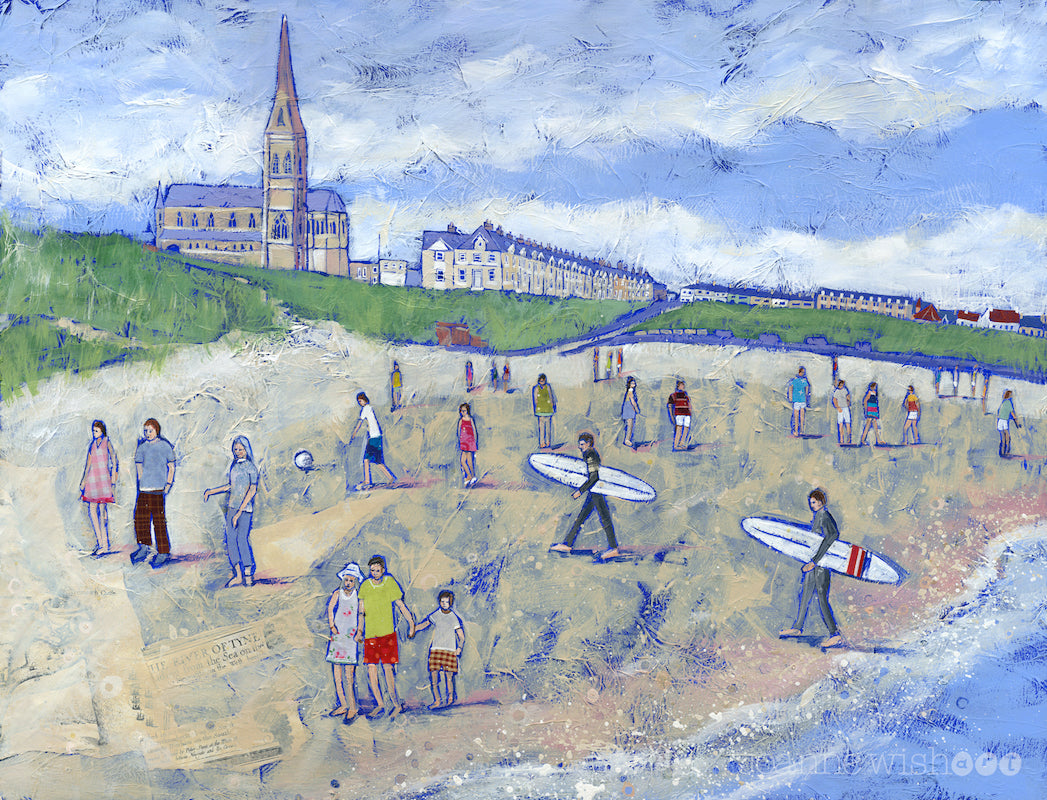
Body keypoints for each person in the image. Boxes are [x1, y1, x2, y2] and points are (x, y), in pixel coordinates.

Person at [779, 488, 843, 648]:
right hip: (813, 565)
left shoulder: (824, 516)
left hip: (821, 565)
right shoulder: (817, 516)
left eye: (813, 502)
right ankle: (797, 628)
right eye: (811, 503)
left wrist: (814, 561)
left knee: (822, 599)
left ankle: (835, 634)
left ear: (821, 501)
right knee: (805, 595)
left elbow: (833, 536)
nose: (811, 505)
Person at [358, 554, 416, 718]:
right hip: (370, 635)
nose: (374, 573)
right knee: (371, 670)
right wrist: (360, 630)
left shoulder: (389, 582)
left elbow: (400, 605)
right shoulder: (365, 586)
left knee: (388, 670)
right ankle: (380, 704)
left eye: (377, 570)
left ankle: (396, 704)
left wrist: (411, 623)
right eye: (372, 570)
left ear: (383, 570)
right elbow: (361, 612)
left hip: (387, 635)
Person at [548, 432, 619, 562]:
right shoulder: (589, 453)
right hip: (593, 491)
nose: (580, 447)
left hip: (595, 491)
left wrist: (580, 491)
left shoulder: (590, 455)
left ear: (588, 444)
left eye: (582, 444)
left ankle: (613, 548)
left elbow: (594, 477)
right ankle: (567, 544)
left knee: (604, 518)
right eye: (579, 444)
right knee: (581, 518)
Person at [203, 435, 260, 587]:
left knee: (242, 540)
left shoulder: (251, 468)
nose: (238, 452)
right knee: (231, 542)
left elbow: (252, 490)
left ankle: (248, 575)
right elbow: (231, 487)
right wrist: (211, 491)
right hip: (232, 508)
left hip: (244, 510)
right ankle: (238, 575)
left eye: (241, 449)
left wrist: (240, 512)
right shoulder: (234, 467)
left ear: (246, 450)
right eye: (235, 449)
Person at [132, 418, 176, 569]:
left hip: (158, 490)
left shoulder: (165, 446)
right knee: (140, 520)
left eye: (150, 430)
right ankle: (144, 547)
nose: (147, 433)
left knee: (159, 521)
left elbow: (171, 466)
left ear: (157, 430)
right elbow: (139, 469)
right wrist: (142, 484)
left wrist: (168, 484)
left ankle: (163, 551)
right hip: (144, 490)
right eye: (145, 431)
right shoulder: (142, 448)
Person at [411, 589, 465, 709]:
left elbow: (461, 635)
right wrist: (414, 629)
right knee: (434, 678)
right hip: (436, 650)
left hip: (449, 650)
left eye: (446, 602)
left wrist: (459, 647)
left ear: (450, 603)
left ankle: (450, 699)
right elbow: (425, 624)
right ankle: (437, 701)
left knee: (448, 677)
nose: (444, 604)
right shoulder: (436, 614)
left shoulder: (453, 617)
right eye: (442, 601)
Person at [326, 562, 363, 722]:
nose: (348, 583)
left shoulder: (359, 597)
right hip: (337, 636)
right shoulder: (337, 593)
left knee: (349, 676)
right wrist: (331, 624)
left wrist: (360, 631)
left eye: (351, 580)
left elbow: (361, 615)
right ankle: (343, 704)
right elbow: (330, 608)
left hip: (351, 638)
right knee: (337, 674)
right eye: (346, 580)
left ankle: (352, 707)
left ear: (355, 581)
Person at [79, 419, 119, 557]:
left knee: (102, 513)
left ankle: (105, 545)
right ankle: (100, 543)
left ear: (102, 430)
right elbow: (88, 464)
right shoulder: (92, 445)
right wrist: (84, 481)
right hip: (92, 480)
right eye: (93, 431)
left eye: (96, 430)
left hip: (103, 480)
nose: (94, 433)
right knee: (92, 510)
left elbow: (114, 460)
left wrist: (114, 476)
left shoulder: (107, 442)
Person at [348, 392, 397, 490]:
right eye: (359, 402)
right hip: (377, 437)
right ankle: (390, 477)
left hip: (374, 438)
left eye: (360, 401)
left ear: (364, 400)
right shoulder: (369, 408)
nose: (360, 403)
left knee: (366, 459)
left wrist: (354, 433)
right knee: (378, 461)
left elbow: (360, 423)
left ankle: (367, 481)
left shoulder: (365, 409)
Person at [532, 374, 557, 449]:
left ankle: (548, 442)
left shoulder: (548, 387)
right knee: (542, 428)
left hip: (548, 410)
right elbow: (535, 399)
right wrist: (537, 408)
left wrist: (552, 405)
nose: (542, 382)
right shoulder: (536, 388)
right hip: (541, 411)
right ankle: (542, 443)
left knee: (548, 428)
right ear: (539, 381)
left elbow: (551, 396)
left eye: (543, 381)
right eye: (541, 381)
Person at [666, 380, 691, 451]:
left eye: (683, 385)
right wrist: (671, 416)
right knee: (679, 428)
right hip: (679, 414)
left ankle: (681, 444)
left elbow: (689, 403)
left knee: (686, 428)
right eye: (681, 385)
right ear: (678, 386)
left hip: (687, 414)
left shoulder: (686, 395)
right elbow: (670, 405)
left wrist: (690, 411)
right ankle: (676, 445)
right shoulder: (674, 395)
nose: (683, 387)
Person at [457, 402, 478, 485]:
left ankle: (471, 476)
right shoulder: (461, 420)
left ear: (467, 411)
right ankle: (471, 475)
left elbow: (474, 430)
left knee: (468, 460)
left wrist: (475, 442)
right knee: (463, 461)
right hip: (464, 442)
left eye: (464, 411)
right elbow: (459, 431)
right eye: (461, 411)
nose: (462, 413)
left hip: (469, 441)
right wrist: (460, 440)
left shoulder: (470, 419)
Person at [787, 366, 811, 437]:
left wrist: (806, 397)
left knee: (802, 416)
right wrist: (791, 397)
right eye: (802, 372)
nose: (803, 373)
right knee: (796, 416)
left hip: (802, 400)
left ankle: (801, 430)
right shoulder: (795, 380)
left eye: (804, 372)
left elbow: (807, 389)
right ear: (799, 372)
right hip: (796, 400)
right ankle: (796, 431)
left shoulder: (804, 380)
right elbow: (790, 388)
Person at [997, 390, 1021, 457]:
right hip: (1004, 421)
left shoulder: (1004, 402)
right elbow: (1013, 414)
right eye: (1011, 395)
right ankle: (1007, 452)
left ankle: (1002, 452)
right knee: (1007, 437)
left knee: (1003, 437)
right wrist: (1017, 423)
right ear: (1009, 395)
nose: (1012, 396)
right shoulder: (1008, 403)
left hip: (1000, 421)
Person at [858, 381, 883, 446]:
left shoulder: (874, 393)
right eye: (874, 386)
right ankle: (863, 440)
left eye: (875, 387)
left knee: (875, 425)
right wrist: (866, 410)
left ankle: (878, 440)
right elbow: (865, 401)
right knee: (868, 425)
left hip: (874, 410)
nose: (874, 388)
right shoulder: (869, 392)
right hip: (870, 410)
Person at [621, 376, 641, 448]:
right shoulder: (630, 391)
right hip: (629, 408)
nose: (634, 384)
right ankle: (627, 440)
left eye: (634, 383)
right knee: (629, 425)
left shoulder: (630, 391)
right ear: (629, 384)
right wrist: (636, 408)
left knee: (630, 425)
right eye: (632, 383)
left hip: (629, 407)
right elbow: (632, 400)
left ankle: (627, 439)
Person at [831, 379, 852, 446]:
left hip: (845, 408)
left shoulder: (845, 390)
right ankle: (841, 439)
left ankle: (849, 439)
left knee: (848, 423)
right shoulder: (836, 391)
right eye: (840, 385)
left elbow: (848, 398)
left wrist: (848, 403)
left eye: (842, 385)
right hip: (840, 409)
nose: (841, 386)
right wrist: (838, 407)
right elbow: (834, 400)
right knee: (841, 424)